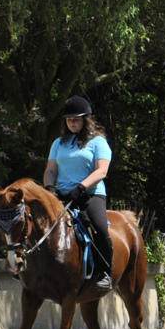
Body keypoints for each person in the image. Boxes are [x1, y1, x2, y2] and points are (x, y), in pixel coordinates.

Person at [45, 96, 115, 293]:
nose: (72, 123)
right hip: (62, 195)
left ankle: (105, 273)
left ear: (85, 120)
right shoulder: (58, 143)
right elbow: (50, 170)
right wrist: (49, 187)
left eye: (76, 120)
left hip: (90, 194)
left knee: (99, 228)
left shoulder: (98, 142)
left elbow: (101, 171)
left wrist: (80, 188)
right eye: (69, 120)